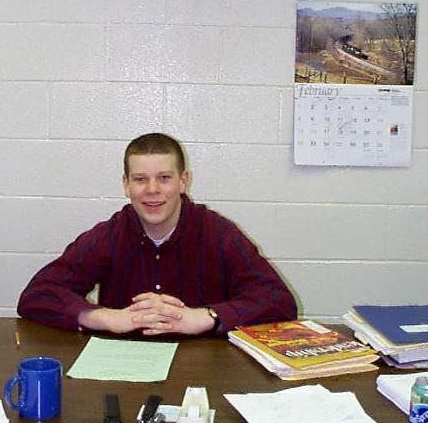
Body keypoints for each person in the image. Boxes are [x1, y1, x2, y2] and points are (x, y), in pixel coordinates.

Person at [17, 133, 297, 336]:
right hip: (124, 367)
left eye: (164, 178)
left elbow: (279, 301)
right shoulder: (109, 235)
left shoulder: (219, 234)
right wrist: (106, 318)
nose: (152, 190)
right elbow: (37, 296)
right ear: (126, 185)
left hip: (205, 369)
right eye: (140, 179)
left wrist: (205, 317)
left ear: (183, 181)